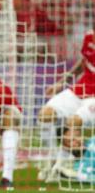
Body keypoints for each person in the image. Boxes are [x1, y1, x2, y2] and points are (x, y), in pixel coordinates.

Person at [37, 28, 95, 179]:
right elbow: (84, 62)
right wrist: (61, 82)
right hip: (79, 90)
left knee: (73, 123)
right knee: (45, 114)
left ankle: (69, 164)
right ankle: (54, 163)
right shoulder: (89, 36)